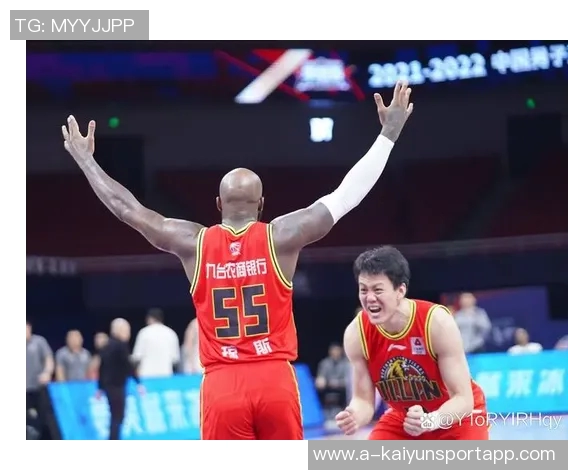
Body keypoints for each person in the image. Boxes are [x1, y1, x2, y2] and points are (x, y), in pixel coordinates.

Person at [61, 80, 414, 440]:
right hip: (274, 377)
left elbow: (129, 210)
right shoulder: (280, 237)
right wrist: (389, 133)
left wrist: (86, 161)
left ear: (218, 204)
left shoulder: (194, 243)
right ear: (261, 205)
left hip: (222, 382)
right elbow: (346, 195)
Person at [336, 246, 489, 440]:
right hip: (406, 418)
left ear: (400, 290)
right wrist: (354, 415)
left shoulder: (436, 322)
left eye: (378, 290)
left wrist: (429, 421)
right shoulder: (356, 333)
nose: (370, 298)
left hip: (457, 416)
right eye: (363, 290)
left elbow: (463, 399)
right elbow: (363, 400)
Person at [98, 318, 144, 440]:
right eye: (127, 330)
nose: (128, 334)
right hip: (117, 385)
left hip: (108, 386)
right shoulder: (121, 346)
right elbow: (127, 365)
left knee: (114, 415)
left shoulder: (106, 346)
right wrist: (138, 382)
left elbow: (102, 368)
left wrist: (100, 387)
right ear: (119, 331)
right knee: (118, 416)